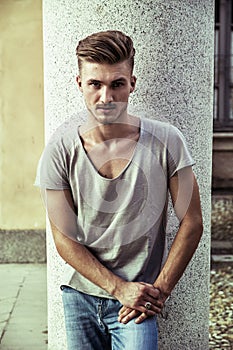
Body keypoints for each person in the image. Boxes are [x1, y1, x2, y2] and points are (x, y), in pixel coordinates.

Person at [36, 30, 203, 350]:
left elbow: (192, 222)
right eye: (95, 84)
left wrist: (160, 291)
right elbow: (63, 239)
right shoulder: (59, 149)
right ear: (79, 84)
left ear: (132, 84)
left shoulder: (167, 141)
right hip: (81, 298)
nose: (106, 97)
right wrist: (117, 288)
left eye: (117, 84)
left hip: (138, 303)